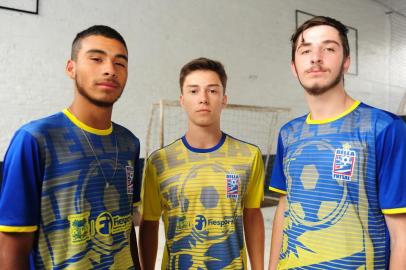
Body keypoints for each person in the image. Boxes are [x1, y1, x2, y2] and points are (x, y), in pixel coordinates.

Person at [268, 16, 406, 270]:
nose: (316, 57)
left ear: (346, 62)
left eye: (329, 48)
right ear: (293, 66)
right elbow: (284, 206)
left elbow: (401, 234)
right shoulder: (289, 133)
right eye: (305, 50)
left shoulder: (383, 128)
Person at [0, 25, 141, 269]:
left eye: (120, 63)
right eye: (96, 59)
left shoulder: (130, 143)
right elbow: (11, 245)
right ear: (71, 68)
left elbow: (126, 229)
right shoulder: (35, 139)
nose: (110, 70)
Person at [139, 57, 265, 269]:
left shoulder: (249, 156)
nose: (203, 98)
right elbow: (149, 223)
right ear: (182, 99)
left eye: (212, 91)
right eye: (194, 91)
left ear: (224, 99)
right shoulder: (158, 162)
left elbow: (252, 215)